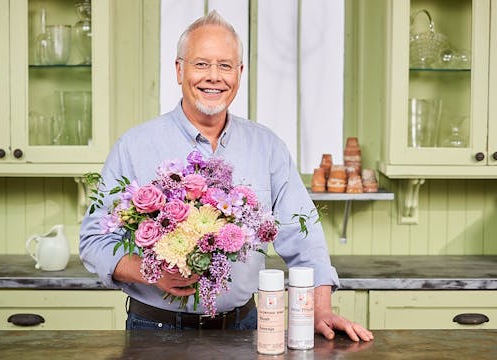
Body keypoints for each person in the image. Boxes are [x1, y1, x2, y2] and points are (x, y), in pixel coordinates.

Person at [80, 10, 373, 342]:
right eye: (201, 64)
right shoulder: (134, 146)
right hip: (154, 329)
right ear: (179, 70)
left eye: (225, 66)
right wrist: (152, 272)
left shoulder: (268, 148)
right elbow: (94, 242)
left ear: (239, 73)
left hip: (244, 328)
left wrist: (320, 310)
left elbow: (306, 242)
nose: (213, 77)